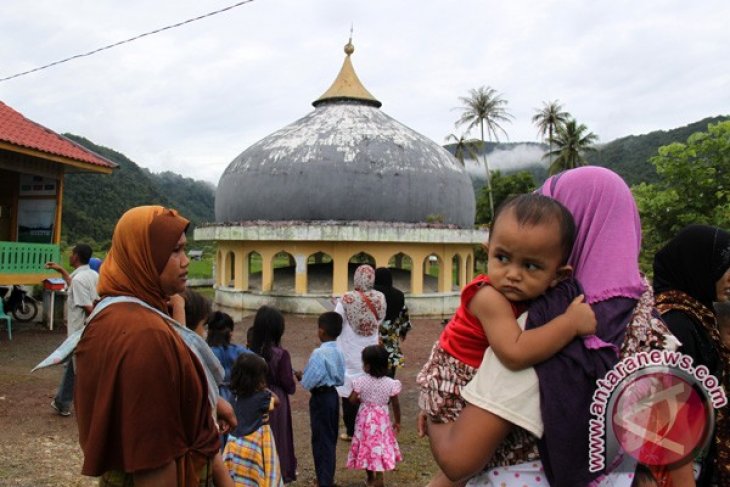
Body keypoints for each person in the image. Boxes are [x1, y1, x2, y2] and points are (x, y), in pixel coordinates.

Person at [424, 166, 674, 486]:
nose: (514, 273)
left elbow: (458, 459)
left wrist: (435, 412)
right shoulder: (652, 327)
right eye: (503, 257)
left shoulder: (549, 323)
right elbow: (667, 441)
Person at [417, 193, 596, 487]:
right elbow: (514, 352)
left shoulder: (529, 299)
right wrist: (571, 323)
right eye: (502, 258)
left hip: (475, 384)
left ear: (558, 276)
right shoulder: (489, 297)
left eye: (531, 266)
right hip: (456, 381)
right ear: (487, 252)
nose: (513, 274)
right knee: (462, 466)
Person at [73, 205, 221, 486]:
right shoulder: (147, 336)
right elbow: (153, 458)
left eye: (184, 250)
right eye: (174, 251)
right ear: (143, 255)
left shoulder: (110, 313)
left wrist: (212, 402)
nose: (185, 261)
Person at [652, 224, 730, 486]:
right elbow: (671, 419)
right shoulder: (677, 324)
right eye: (721, 267)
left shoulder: (702, 318)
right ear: (694, 265)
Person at [46, 243, 99, 417]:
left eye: (71, 253)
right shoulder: (93, 275)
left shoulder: (79, 279)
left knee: (80, 370)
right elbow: (75, 286)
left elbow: (88, 308)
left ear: (76, 256)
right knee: (71, 366)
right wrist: (61, 270)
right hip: (88, 331)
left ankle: (92, 407)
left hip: (79, 332)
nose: (69, 255)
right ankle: (62, 402)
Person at [335, 264, 386, 441]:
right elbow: (380, 320)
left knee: (349, 389)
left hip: (349, 349)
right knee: (369, 387)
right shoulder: (380, 298)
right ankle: (370, 428)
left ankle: (351, 431)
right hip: (370, 348)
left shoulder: (346, 299)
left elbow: (337, 321)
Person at [295, 311, 346, 487]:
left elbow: (309, 382)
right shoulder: (339, 352)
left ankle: (323, 481)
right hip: (333, 396)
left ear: (322, 331)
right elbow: (340, 377)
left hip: (320, 399)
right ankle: (327, 478)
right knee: (330, 439)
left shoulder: (318, 353)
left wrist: (301, 376)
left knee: (320, 440)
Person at [249, 305, 297, 483]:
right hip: (276, 399)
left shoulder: (250, 352)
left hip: (254, 395)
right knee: (278, 437)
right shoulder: (281, 354)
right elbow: (289, 385)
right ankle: (279, 473)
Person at [224, 352, 284, 487]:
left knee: (238, 479)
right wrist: (265, 389)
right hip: (255, 446)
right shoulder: (262, 397)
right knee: (258, 478)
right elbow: (277, 402)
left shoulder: (232, 397)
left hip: (234, 445)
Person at [346, 345, 403, 487]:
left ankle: (370, 477)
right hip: (382, 421)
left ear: (368, 366)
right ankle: (379, 476)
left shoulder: (361, 381)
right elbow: (395, 404)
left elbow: (352, 400)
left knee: (365, 446)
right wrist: (398, 421)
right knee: (380, 446)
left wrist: (362, 400)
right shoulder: (391, 383)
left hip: (364, 420)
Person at [373, 267, 412, 377]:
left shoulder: (370, 294)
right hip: (390, 336)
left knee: (373, 364)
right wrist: (404, 331)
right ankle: (388, 389)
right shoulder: (399, 294)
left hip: (373, 335)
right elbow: (403, 314)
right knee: (389, 368)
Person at [208, 310, 252, 404]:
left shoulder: (206, 350)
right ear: (230, 333)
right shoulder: (237, 350)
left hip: (211, 396)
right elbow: (260, 360)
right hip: (234, 396)